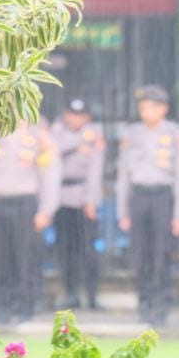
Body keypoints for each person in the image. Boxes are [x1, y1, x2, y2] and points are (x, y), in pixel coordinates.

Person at [116, 85, 179, 325]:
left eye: (151, 107)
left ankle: (162, 305)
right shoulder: (131, 134)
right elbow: (123, 176)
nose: (146, 112)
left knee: (162, 254)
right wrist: (123, 211)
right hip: (139, 197)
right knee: (140, 255)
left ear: (163, 109)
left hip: (162, 197)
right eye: (143, 107)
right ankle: (144, 304)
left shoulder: (175, 134)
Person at [0, 123, 59, 321]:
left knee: (24, 256)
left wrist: (46, 209)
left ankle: (24, 304)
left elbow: (49, 173)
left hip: (25, 202)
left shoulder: (37, 133)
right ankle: (2, 304)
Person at [51, 99, 104, 309]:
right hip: (61, 198)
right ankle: (70, 292)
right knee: (65, 250)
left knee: (88, 250)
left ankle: (92, 294)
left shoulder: (94, 134)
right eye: (72, 114)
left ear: (87, 117)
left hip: (83, 199)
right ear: (65, 115)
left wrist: (91, 201)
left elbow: (95, 170)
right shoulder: (56, 132)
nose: (76, 119)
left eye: (81, 115)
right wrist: (77, 143)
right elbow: (51, 156)